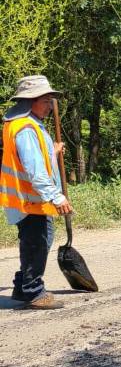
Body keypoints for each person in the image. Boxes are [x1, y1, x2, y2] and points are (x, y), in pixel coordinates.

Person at [0, 76, 74, 309]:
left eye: (51, 101)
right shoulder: (26, 128)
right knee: (37, 243)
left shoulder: (26, 123)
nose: (50, 106)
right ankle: (34, 292)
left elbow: (35, 157)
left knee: (38, 240)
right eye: (46, 101)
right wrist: (56, 196)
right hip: (29, 199)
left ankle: (22, 286)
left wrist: (53, 151)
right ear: (30, 101)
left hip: (29, 198)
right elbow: (34, 170)